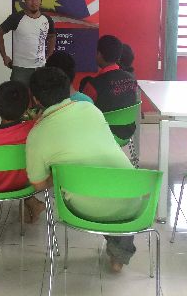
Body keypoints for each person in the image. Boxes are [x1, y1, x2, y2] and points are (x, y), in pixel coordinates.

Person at [26, 67, 138, 273]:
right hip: (134, 199)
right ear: (68, 89)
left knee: (91, 194)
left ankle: (116, 251)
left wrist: (59, 174)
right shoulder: (90, 109)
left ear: (35, 100)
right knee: (112, 186)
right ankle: (119, 257)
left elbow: (38, 184)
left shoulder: (37, 133)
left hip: (84, 209)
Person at [0, 80, 45, 223]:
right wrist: (34, 119)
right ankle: (32, 202)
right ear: (26, 109)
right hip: (21, 184)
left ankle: (33, 204)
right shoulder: (33, 129)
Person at [79, 35, 140, 140]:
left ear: (99, 54)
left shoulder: (93, 85)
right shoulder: (132, 79)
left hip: (102, 136)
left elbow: (83, 113)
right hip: (127, 133)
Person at [0, 0, 56, 86]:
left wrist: (49, 56)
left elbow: (52, 36)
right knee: (18, 95)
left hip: (40, 68)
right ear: (25, 0)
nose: (34, 2)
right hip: (20, 69)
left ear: (41, 0)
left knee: (39, 96)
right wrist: (4, 56)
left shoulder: (47, 19)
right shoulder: (16, 18)